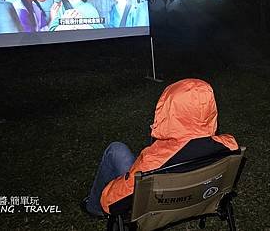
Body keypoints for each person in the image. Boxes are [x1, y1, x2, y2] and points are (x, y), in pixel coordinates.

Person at [81, 78, 239, 217]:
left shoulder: (153, 161)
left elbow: (111, 203)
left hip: (160, 204)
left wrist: (108, 194)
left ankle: (92, 208)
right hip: (199, 198)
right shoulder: (229, 145)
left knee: (116, 150)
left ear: (168, 110)